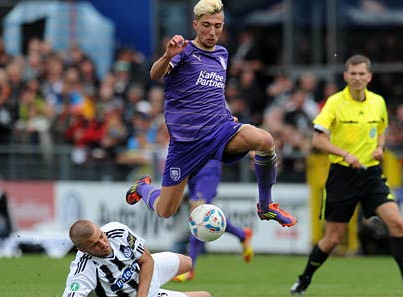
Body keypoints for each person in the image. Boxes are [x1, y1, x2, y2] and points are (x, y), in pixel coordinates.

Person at [124, 0, 296, 227]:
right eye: (206, 25)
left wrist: (226, 113)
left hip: (219, 130)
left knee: (264, 140)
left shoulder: (223, 54)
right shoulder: (183, 51)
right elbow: (155, 74)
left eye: (218, 26)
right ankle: (143, 187)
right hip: (186, 143)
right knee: (165, 210)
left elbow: (214, 92)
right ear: (195, 25)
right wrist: (167, 56)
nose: (212, 31)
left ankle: (266, 205)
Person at [289, 55, 403, 295]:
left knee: (397, 223)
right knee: (333, 239)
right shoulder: (335, 102)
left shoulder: (378, 102)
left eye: (362, 74)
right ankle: (304, 279)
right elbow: (318, 139)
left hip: (371, 175)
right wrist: (345, 154)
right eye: (353, 74)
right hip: (342, 176)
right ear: (345, 76)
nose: (357, 78)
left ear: (369, 76)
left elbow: (381, 130)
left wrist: (381, 147)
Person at [62, 219, 212, 297]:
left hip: (145, 274)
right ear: (81, 250)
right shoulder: (83, 270)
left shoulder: (117, 231)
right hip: (132, 294)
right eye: (94, 244)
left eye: (101, 236)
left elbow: (146, 260)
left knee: (188, 263)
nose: (103, 244)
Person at [171, 159, 253, 282]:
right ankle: (242, 234)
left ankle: (189, 269)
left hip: (207, 168)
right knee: (204, 215)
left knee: (200, 217)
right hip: (192, 166)